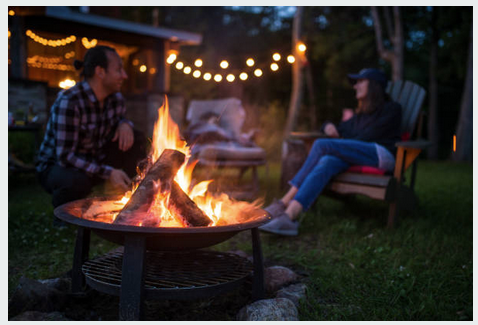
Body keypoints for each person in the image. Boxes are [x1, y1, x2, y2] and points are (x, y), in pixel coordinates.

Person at [260, 68, 401, 236]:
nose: (355, 86)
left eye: (360, 81)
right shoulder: (360, 116)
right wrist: (328, 126)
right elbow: (340, 130)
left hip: (381, 155)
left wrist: (340, 142)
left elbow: (368, 137)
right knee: (327, 160)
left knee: (321, 145)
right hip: (358, 155)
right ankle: (290, 217)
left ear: (374, 85)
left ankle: (283, 202)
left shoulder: (392, 109)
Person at [36, 45, 146, 226]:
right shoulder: (70, 102)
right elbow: (65, 156)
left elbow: (121, 121)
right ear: (100, 72)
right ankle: (64, 216)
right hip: (57, 166)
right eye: (119, 69)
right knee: (76, 181)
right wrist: (108, 172)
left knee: (136, 138)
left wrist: (125, 123)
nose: (124, 76)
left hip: (95, 160)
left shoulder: (115, 99)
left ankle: (131, 203)